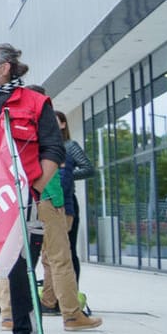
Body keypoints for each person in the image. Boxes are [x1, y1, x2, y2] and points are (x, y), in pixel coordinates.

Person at [0, 45, 100, 334]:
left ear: (4, 67)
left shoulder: (35, 103)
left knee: (21, 264)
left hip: (16, 196)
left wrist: (34, 189)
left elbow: (53, 150)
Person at [38, 109, 94, 310]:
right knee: (49, 256)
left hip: (65, 202)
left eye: (55, 121)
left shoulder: (69, 146)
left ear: (63, 124)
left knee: (66, 253)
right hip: (49, 202)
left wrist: (66, 173)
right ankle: (52, 300)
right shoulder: (43, 146)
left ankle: (69, 298)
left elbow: (88, 168)